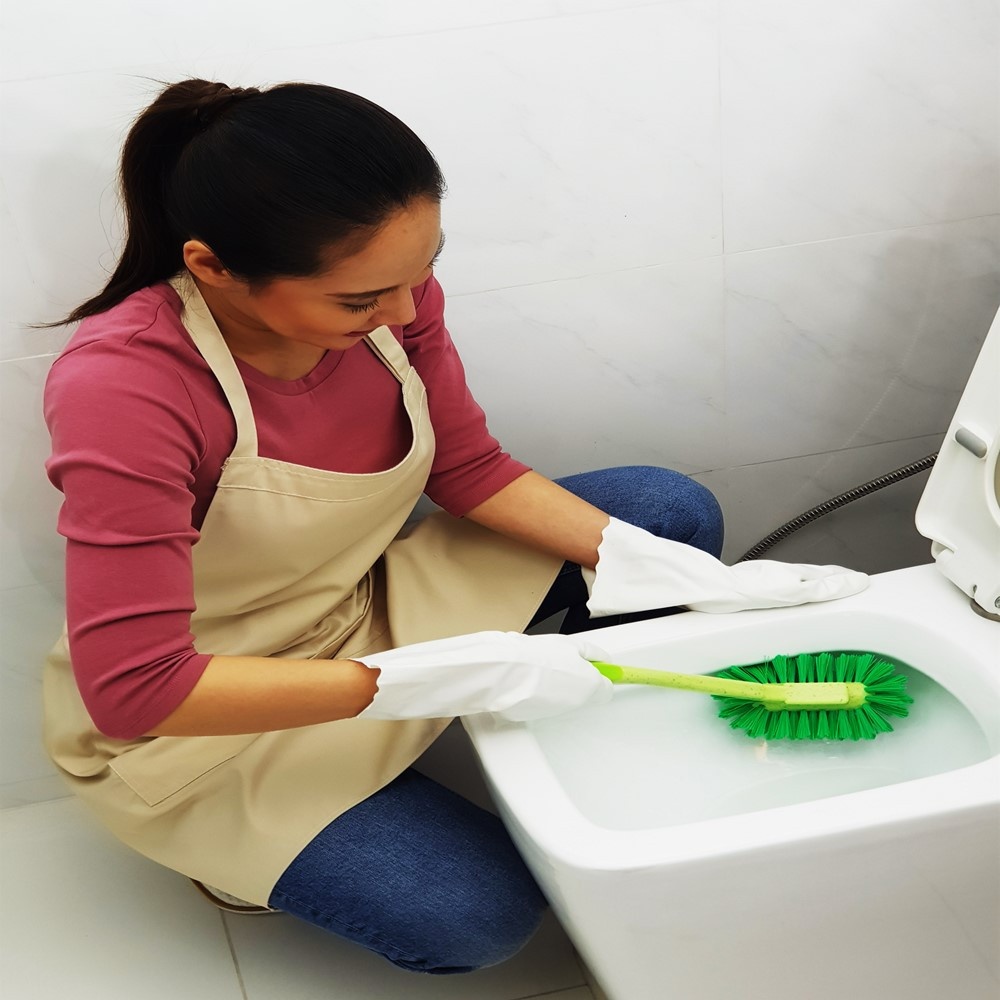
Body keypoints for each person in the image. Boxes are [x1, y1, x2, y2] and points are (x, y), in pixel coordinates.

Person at [41, 79, 868, 974]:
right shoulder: (127, 387)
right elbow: (140, 689)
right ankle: (261, 854)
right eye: (360, 302)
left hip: (361, 604)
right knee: (479, 918)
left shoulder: (392, 299)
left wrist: (658, 567)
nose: (404, 315)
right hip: (207, 714)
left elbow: (468, 468)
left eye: (422, 273)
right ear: (213, 268)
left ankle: (577, 747)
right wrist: (417, 680)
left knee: (665, 513)